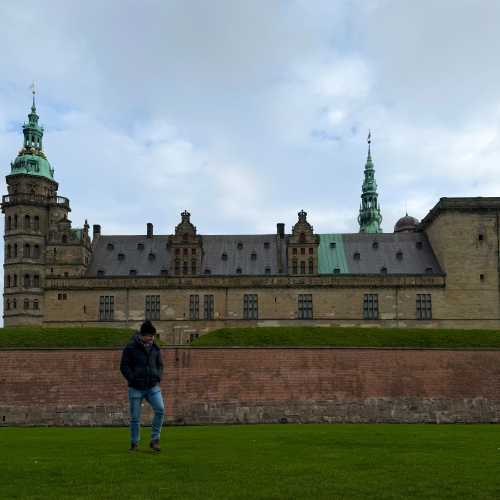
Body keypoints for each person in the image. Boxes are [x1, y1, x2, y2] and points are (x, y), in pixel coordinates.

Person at [120, 320, 165, 452]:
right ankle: (134, 443)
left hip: (152, 386)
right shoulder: (130, 348)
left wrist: (158, 376)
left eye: (152, 336)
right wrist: (132, 378)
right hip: (135, 387)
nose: (151, 338)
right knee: (135, 417)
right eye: (149, 336)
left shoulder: (155, 348)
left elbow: (160, 365)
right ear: (142, 335)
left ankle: (155, 440)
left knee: (160, 409)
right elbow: (124, 366)